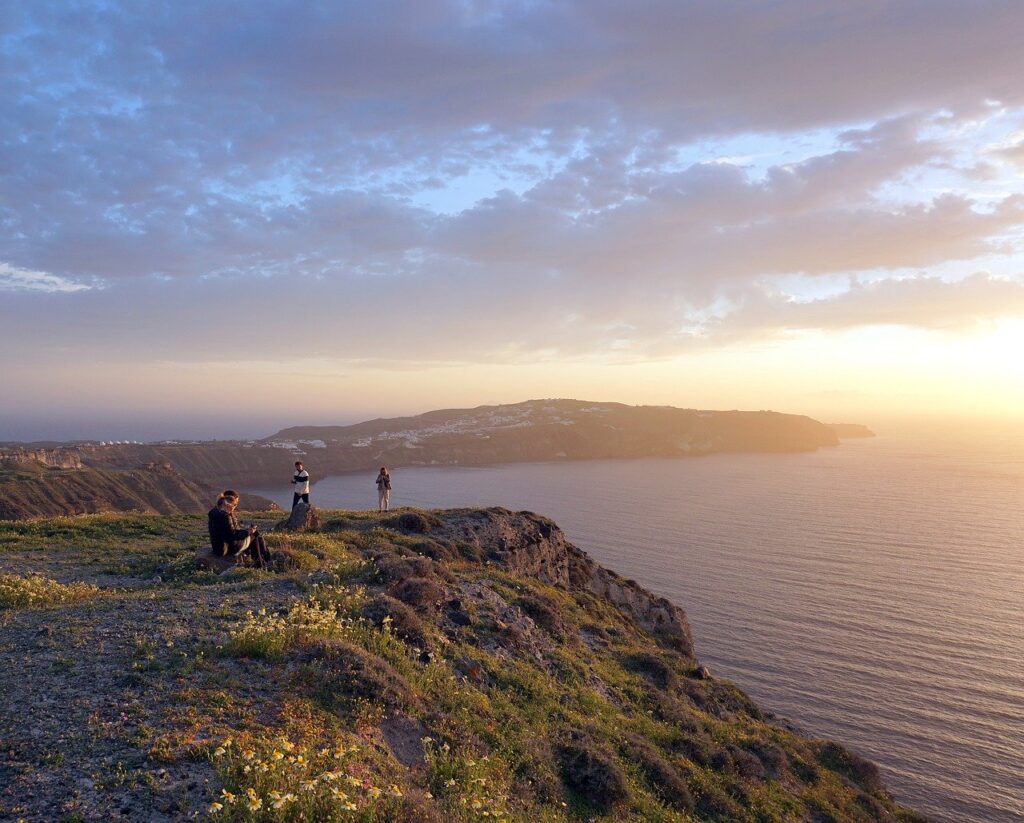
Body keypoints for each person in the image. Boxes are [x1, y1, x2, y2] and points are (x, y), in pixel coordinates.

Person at [207, 490, 271, 568]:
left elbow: (228, 532)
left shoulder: (215, 512)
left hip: (219, 547)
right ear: (228, 503)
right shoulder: (225, 516)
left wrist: (245, 532)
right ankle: (264, 563)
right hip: (227, 548)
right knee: (256, 536)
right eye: (234, 504)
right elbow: (231, 535)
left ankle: (257, 560)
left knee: (251, 535)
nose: (235, 506)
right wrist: (248, 532)